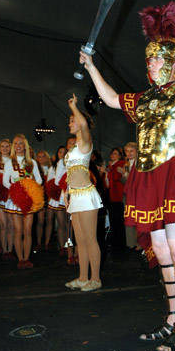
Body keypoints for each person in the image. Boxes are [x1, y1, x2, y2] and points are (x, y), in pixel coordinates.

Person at [79, 1, 175, 351]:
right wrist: (91, 67)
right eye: (148, 59)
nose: (152, 64)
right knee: (162, 252)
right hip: (147, 178)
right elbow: (112, 98)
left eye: (159, 58)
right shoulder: (145, 99)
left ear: (174, 62)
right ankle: (172, 319)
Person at [64, 94, 103, 292]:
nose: (70, 123)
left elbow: (84, 125)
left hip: (87, 197)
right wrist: (66, 192)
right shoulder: (72, 148)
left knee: (90, 239)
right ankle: (82, 277)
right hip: (75, 196)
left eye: (73, 121)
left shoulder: (85, 143)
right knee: (80, 241)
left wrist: (74, 107)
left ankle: (95, 279)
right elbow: (71, 173)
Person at [3, 134, 42, 269]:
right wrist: (15, 190)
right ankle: (20, 259)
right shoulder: (9, 162)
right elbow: (4, 181)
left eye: (21, 143)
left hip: (28, 199)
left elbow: (39, 179)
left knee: (27, 230)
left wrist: (30, 189)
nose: (18, 146)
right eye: (16, 143)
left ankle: (27, 258)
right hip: (15, 200)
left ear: (25, 146)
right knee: (18, 230)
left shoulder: (32, 162)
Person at [105, 147, 126, 251]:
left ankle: (120, 242)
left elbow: (118, 177)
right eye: (112, 153)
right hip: (111, 195)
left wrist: (108, 172)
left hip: (118, 194)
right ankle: (115, 240)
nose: (113, 155)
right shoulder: (110, 166)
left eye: (116, 154)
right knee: (113, 219)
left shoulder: (121, 163)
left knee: (119, 219)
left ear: (120, 155)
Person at [35, 150, 52, 250]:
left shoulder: (51, 169)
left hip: (50, 197)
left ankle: (47, 242)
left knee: (49, 220)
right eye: (39, 157)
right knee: (40, 221)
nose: (41, 159)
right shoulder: (35, 168)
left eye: (43, 156)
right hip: (40, 197)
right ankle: (38, 241)